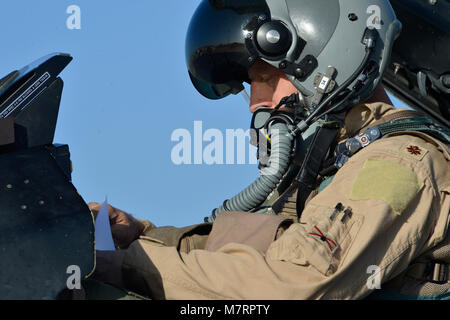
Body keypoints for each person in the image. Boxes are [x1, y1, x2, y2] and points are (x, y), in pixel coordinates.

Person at [88, 0, 449, 300]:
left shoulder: (399, 162)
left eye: (264, 78)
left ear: (327, 64)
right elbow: (253, 252)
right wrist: (141, 238)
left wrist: (128, 265)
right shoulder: (329, 166)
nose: (254, 104)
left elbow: (292, 283)